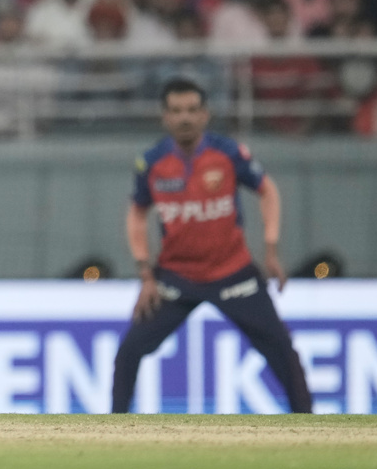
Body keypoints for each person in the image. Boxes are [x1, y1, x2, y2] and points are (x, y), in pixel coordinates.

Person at [111, 77, 312, 414]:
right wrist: (145, 274)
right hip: (176, 278)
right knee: (130, 351)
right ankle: (111, 430)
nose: (185, 118)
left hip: (233, 273)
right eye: (176, 111)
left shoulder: (228, 153)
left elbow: (267, 190)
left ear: (205, 115)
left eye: (191, 110)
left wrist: (272, 248)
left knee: (282, 351)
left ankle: (311, 429)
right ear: (165, 118)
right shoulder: (151, 163)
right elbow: (136, 213)